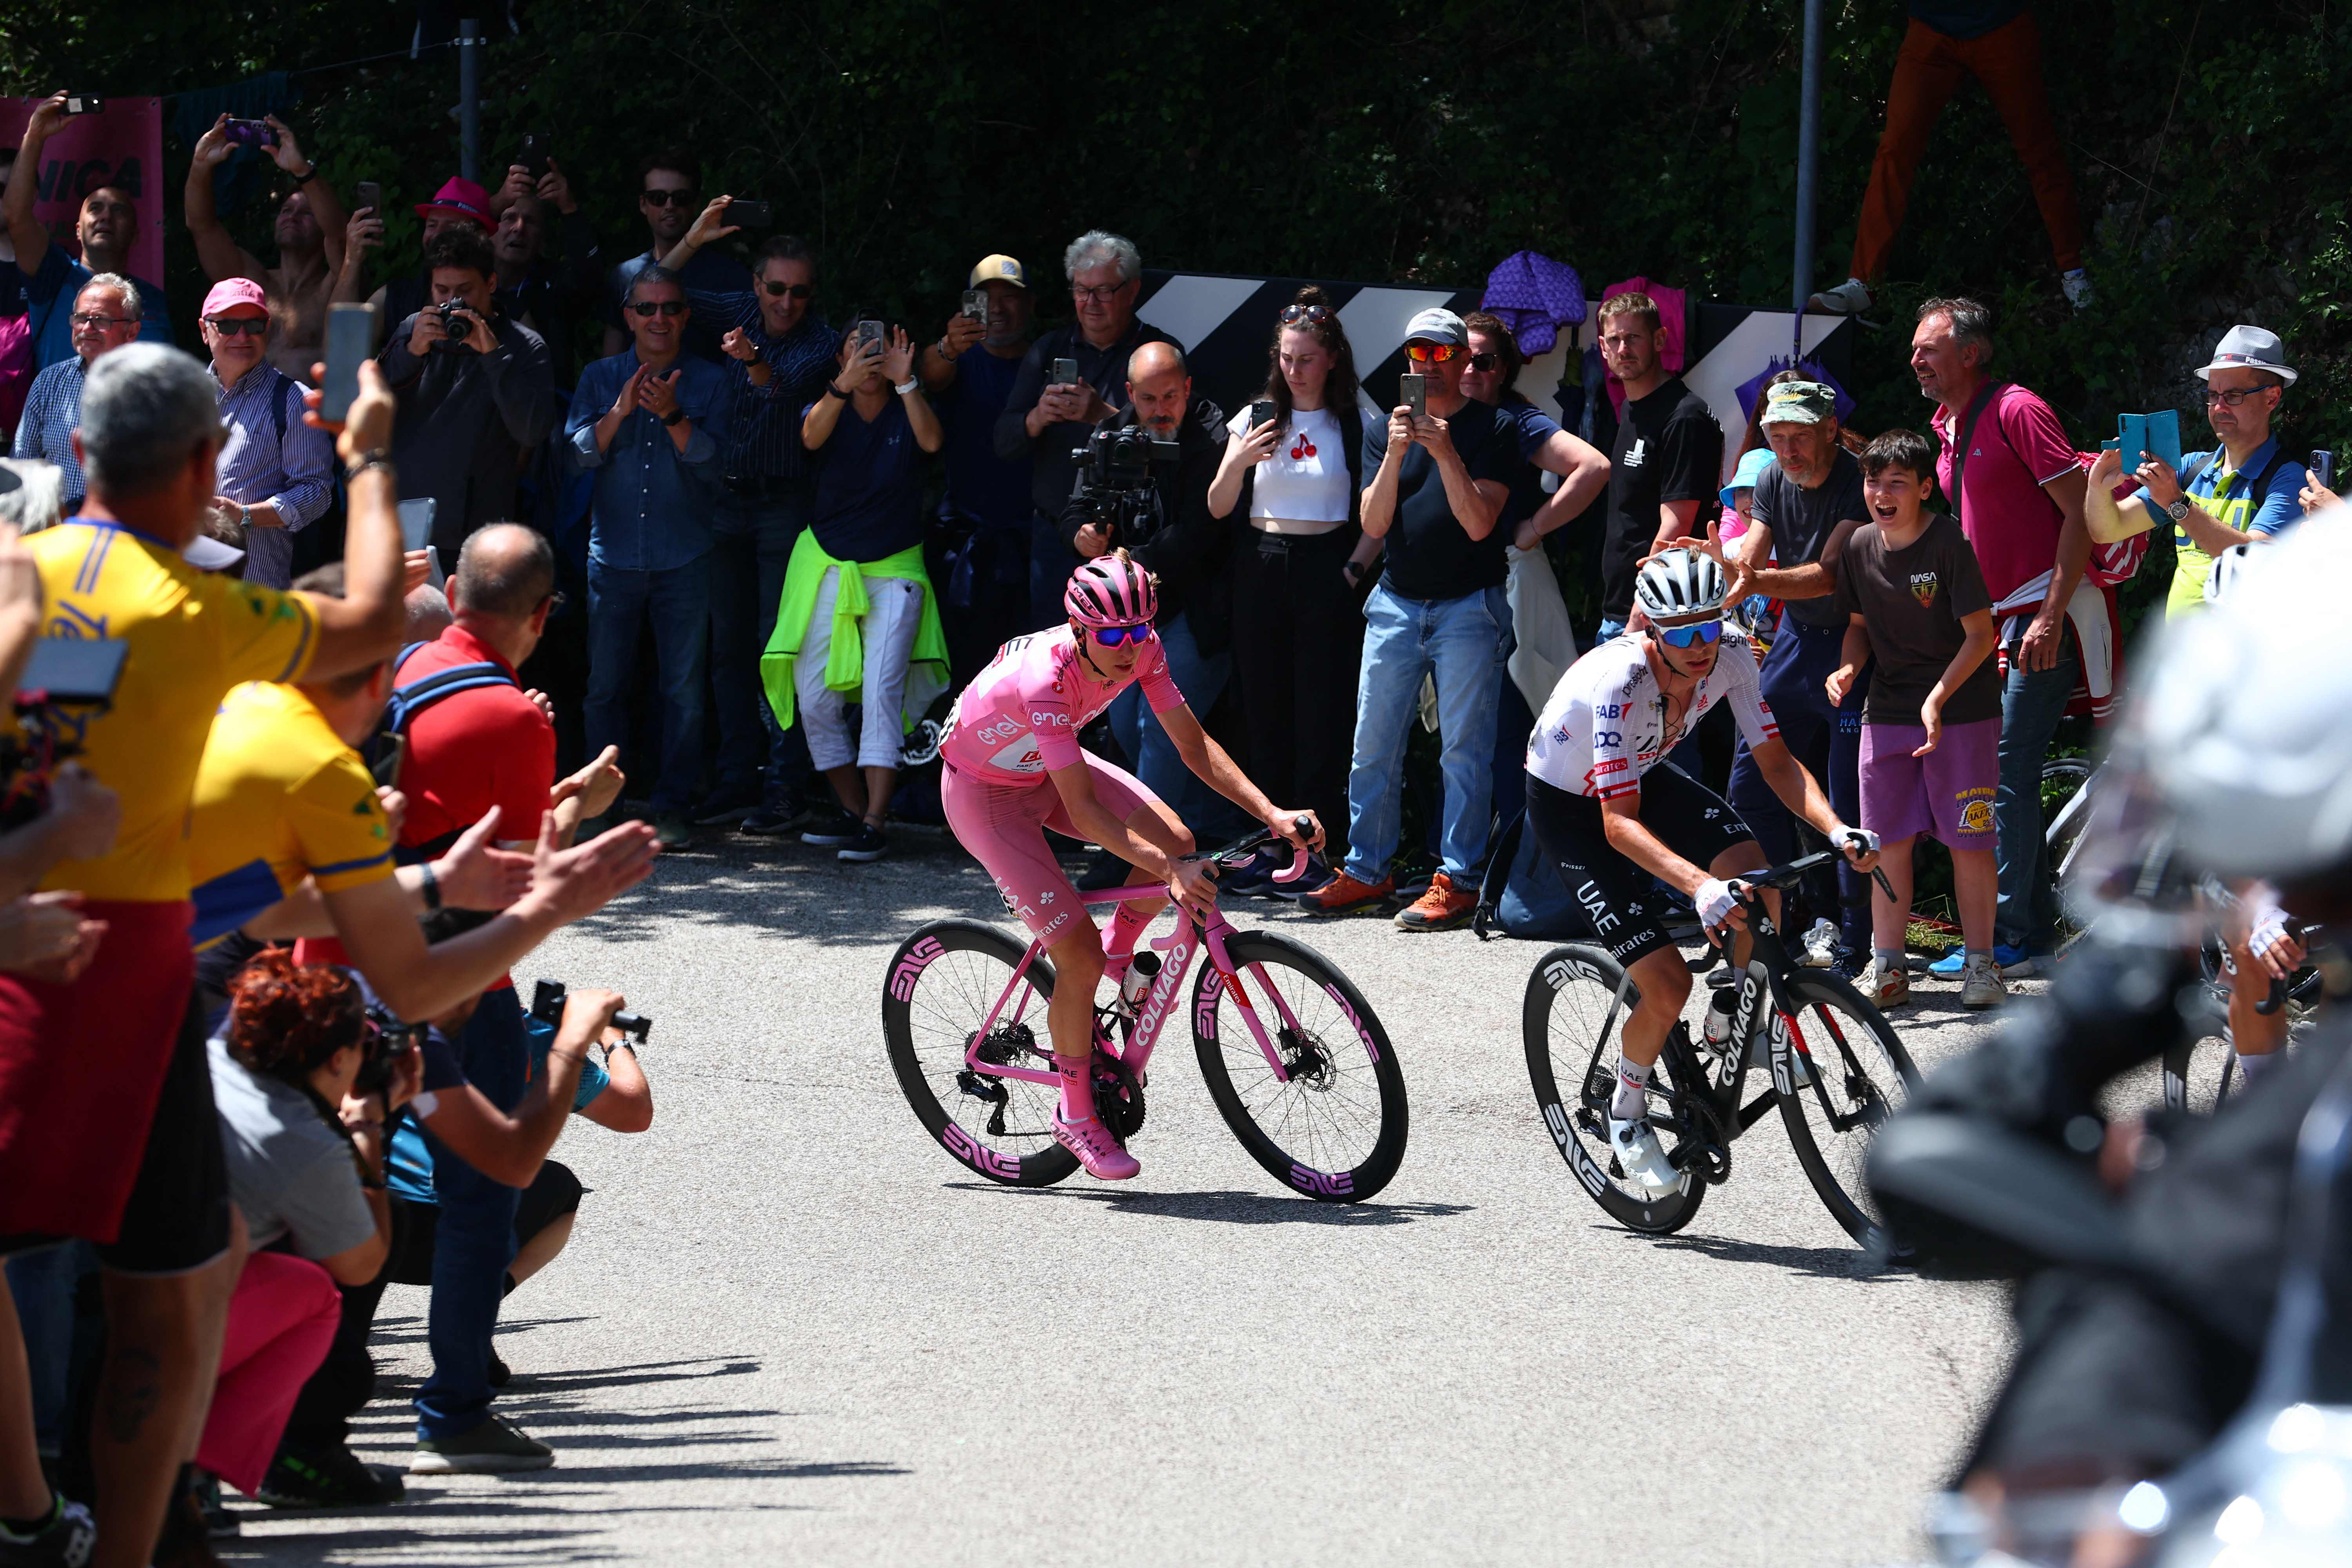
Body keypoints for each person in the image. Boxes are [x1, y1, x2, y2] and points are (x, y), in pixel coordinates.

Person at [0, 342, 407, 1568]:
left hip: (17, 928)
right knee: (162, 1305)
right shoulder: (197, 610)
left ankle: (26, 1512)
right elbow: (377, 618)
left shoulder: (24, 572)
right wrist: (371, 450)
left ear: (76, 456)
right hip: (127, 968)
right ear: (204, 462)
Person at [290, 522, 647, 1477]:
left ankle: (313, 1395)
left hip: (325, 961)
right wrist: (582, 806)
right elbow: (526, 876)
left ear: (452, 596)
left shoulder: (390, 675)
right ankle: (454, 1405)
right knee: (483, 1196)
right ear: (539, 617)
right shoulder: (511, 716)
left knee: (335, 1179)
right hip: (449, 987)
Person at [936, 552, 1321, 1180]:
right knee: (1080, 953)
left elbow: (1193, 744)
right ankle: (1076, 1114)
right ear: (1081, 630)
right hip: (984, 795)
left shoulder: (1142, 647)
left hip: (1039, 769)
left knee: (1178, 837)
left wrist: (1271, 811)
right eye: (1113, 635)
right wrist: (1170, 871)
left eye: (1141, 629)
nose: (1129, 645)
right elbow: (1086, 814)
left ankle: (1119, 955)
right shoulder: (1044, 678)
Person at [1521, 548, 1880, 1191]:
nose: (1699, 646)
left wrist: (1837, 829)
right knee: (1663, 985)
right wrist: (1700, 887)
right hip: (1574, 807)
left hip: (1645, 773)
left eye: (1709, 626)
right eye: (1681, 633)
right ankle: (1626, 1113)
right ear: (1652, 632)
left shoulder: (1736, 654)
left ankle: (1730, 1016)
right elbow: (1617, 825)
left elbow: (1776, 764)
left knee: (1761, 885)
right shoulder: (1622, 682)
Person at [1307, 308, 1516, 931]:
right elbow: (1373, 525)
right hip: (1397, 602)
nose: (1428, 365)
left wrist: (1446, 452)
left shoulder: (1495, 427)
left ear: (1461, 359)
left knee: (1464, 752)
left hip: (1468, 607)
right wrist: (1398, 452)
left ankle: (1459, 879)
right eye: (1417, 355)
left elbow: (1481, 523)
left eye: (1440, 354)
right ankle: (1368, 872)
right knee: (1372, 744)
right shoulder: (1384, 431)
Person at [1913, 297, 2089, 978]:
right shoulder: (1945, 425)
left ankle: (2021, 938)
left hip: (2042, 617)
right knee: (1988, 773)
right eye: (1915, 349)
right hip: (1994, 625)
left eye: (1929, 347)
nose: (1916, 359)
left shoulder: (2018, 409)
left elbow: (2078, 513)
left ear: (1972, 352)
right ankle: (2014, 932)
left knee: (2006, 772)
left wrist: (2050, 612)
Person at [203, 955, 410, 1505]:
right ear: (340, 1057)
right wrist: (368, 1123)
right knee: (319, 1301)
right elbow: (362, 1264)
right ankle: (204, 1464)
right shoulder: (297, 1140)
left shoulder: (212, 1054)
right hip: (168, 1315)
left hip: (97, 1279)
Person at [1821, 429, 2003, 1009]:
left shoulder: (1949, 542)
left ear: (1926, 488)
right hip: (1888, 711)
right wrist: (1849, 671)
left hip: (1963, 713)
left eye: (1897, 482)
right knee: (1885, 841)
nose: (1882, 493)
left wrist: (1938, 700)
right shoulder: (1856, 546)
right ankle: (1889, 969)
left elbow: (1982, 636)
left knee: (1968, 841)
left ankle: (1982, 968)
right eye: (1874, 481)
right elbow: (1858, 625)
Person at [1207, 290, 1377, 877]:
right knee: (1262, 705)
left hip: (1327, 562)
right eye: (1286, 358)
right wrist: (1237, 460)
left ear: (1332, 359)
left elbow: (1378, 515)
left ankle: (1316, 848)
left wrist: (1352, 571)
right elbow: (1218, 503)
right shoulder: (1256, 415)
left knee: (1320, 709)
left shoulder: (1357, 421)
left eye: (1306, 358)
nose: (1295, 370)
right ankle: (1268, 840)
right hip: (1262, 559)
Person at [765, 324, 946, 863]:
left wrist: (906, 381)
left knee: (881, 689)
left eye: (879, 347)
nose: (869, 356)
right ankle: (851, 808)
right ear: (840, 356)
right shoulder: (829, 403)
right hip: (828, 563)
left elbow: (932, 442)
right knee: (815, 695)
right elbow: (809, 438)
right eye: (857, 347)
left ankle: (875, 820)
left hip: (895, 568)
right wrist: (842, 386)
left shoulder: (908, 403)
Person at [567, 266, 731, 849]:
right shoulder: (600, 376)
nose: (658, 319)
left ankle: (671, 806)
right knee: (604, 687)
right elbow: (581, 454)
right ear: (629, 316)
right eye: (646, 308)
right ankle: (596, 803)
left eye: (670, 308)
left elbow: (717, 466)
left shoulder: (711, 380)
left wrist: (671, 415)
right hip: (612, 558)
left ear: (686, 317)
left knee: (682, 691)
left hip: (685, 557)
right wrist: (620, 410)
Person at [1713, 376, 1873, 972]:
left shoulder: (1859, 480)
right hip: (1795, 640)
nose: (1788, 452)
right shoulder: (1775, 475)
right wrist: (1715, 575)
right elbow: (1753, 552)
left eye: (1799, 438)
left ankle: (1854, 938)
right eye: (1777, 438)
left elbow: (1827, 575)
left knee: (1846, 796)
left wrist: (1753, 582)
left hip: (1855, 644)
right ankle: (1785, 914)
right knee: (1750, 787)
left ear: (1831, 430)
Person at [682, 226, 837, 835]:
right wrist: (693, 235)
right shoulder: (737, 308)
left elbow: (787, 390)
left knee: (780, 652)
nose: (786, 302)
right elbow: (656, 289)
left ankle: (784, 786)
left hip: (783, 508)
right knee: (726, 650)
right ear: (756, 284)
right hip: (724, 501)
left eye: (799, 293)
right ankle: (735, 779)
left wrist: (753, 362)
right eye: (776, 288)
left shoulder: (821, 344)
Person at [1058, 340, 1233, 843]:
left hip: (1191, 612)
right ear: (1130, 393)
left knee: (1161, 729)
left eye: (1171, 397)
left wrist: (1127, 568)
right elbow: (1075, 508)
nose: (1161, 411)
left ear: (1188, 389)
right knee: (1126, 726)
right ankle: (1207, 830)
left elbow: (1200, 534)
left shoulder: (1211, 438)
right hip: (1124, 618)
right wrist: (1081, 537)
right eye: (1150, 399)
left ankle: (1144, 854)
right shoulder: (1111, 434)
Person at [1809, 4, 2089, 316]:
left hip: (2001, 23)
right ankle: (1862, 283)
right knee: (1895, 149)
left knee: (2039, 150)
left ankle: (2076, 273)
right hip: (1931, 27)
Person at [994, 231, 1177, 628]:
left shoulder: (1158, 354)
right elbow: (1004, 442)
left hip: (1131, 545)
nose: (1090, 303)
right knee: (1054, 664)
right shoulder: (1049, 350)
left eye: (1104, 291)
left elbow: (1174, 444)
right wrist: (1036, 418)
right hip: (1054, 540)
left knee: (1120, 662)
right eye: (1081, 290)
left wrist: (1103, 414)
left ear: (1133, 290)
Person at [2081, 323, 2307, 617]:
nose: (2218, 407)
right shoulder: (2192, 468)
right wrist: (2099, 487)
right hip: (2186, 658)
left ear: (2272, 399)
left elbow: (2254, 562)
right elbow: (2107, 531)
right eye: (2213, 395)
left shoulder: (2289, 478)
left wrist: (2178, 505)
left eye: (2234, 396)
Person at [378, 224, 558, 564]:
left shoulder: (525, 347)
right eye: (442, 290)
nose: (452, 303)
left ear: (491, 284)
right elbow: (369, 409)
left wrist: (493, 355)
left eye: (465, 291)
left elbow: (533, 431)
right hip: (407, 521)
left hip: (478, 531)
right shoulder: (413, 330)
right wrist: (410, 352)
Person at [920, 254, 1038, 685]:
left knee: (1029, 676)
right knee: (966, 672)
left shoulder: (1046, 360)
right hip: (967, 541)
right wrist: (948, 347)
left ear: (1030, 305)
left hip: (1032, 545)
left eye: (1011, 299)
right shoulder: (957, 359)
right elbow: (927, 377)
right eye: (987, 300)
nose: (1000, 310)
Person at [3, 93, 174, 367]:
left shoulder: (152, 300)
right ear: (78, 230)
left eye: (119, 211)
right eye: (95, 208)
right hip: (63, 410)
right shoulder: (52, 274)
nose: (105, 216)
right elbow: (16, 215)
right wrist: (35, 135)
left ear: (136, 234)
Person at [1591, 292, 1721, 641]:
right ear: (1603, 347)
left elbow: (1677, 528)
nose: (1623, 349)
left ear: (1659, 339)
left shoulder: (1684, 416)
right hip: (1623, 608)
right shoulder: (1634, 408)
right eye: (1615, 340)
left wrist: (1640, 610)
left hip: (1660, 613)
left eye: (1633, 337)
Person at [183, 113, 350, 382]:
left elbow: (341, 236)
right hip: (244, 416)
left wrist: (302, 171)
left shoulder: (336, 283)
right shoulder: (250, 282)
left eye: (306, 213)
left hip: (306, 419)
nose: (292, 217)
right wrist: (201, 166)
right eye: (286, 210)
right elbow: (202, 227)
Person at [198, 278, 334, 589]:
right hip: (186, 585)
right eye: (229, 324)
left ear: (267, 329)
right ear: (205, 331)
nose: (243, 336)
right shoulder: (184, 395)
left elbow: (317, 492)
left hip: (254, 587)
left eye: (254, 324)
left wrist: (246, 515)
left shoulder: (293, 399)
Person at [9, 274, 144, 514]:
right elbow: (22, 466)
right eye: (81, 318)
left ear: (132, 332)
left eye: (101, 320)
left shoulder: (152, 389)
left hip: (123, 532)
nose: (87, 328)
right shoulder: (50, 382)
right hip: (54, 533)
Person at [604, 151, 748, 364]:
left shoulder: (731, 277)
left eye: (681, 198)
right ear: (643, 204)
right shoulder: (624, 275)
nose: (669, 206)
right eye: (658, 198)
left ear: (696, 204)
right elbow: (609, 365)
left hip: (708, 395)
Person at [486, 160, 603, 394]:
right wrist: (498, 200)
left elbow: (591, 277)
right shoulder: (468, 283)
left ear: (541, 240)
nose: (519, 228)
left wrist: (569, 208)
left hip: (546, 413)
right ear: (489, 230)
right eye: (509, 218)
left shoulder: (555, 284)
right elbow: (449, 242)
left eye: (530, 222)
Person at [342, 177, 496, 347]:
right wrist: (352, 260)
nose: (437, 234)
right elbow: (343, 345)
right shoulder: (395, 296)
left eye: (451, 227)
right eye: (432, 225)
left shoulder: (506, 309)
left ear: (481, 237)